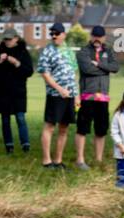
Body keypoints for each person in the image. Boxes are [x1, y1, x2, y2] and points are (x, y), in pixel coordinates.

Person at [73, 25, 118, 169]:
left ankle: (98, 160)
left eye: (100, 36)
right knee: (82, 129)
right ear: (91, 36)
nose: (97, 39)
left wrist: (98, 64)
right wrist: (105, 69)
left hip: (103, 98)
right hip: (87, 97)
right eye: (95, 36)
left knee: (101, 130)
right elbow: (87, 69)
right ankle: (80, 160)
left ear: (104, 37)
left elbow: (115, 67)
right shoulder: (83, 52)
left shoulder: (109, 51)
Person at [38, 22, 76, 169]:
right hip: (55, 95)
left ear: (63, 34)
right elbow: (45, 74)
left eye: (56, 33)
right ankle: (46, 161)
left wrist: (76, 95)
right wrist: (60, 89)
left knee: (64, 128)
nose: (53, 36)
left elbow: (74, 73)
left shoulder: (69, 51)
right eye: (51, 34)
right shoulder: (47, 51)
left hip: (70, 95)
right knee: (49, 127)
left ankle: (58, 160)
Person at [0, 29, 32, 153]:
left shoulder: (23, 52)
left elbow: (29, 72)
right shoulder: (0, 52)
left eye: (9, 39)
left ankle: (25, 145)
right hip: (2, 91)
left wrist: (17, 63)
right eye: (5, 39)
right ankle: (9, 146)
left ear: (16, 38)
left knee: (20, 118)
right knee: (5, 119)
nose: (7, 41)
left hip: (18, 91)